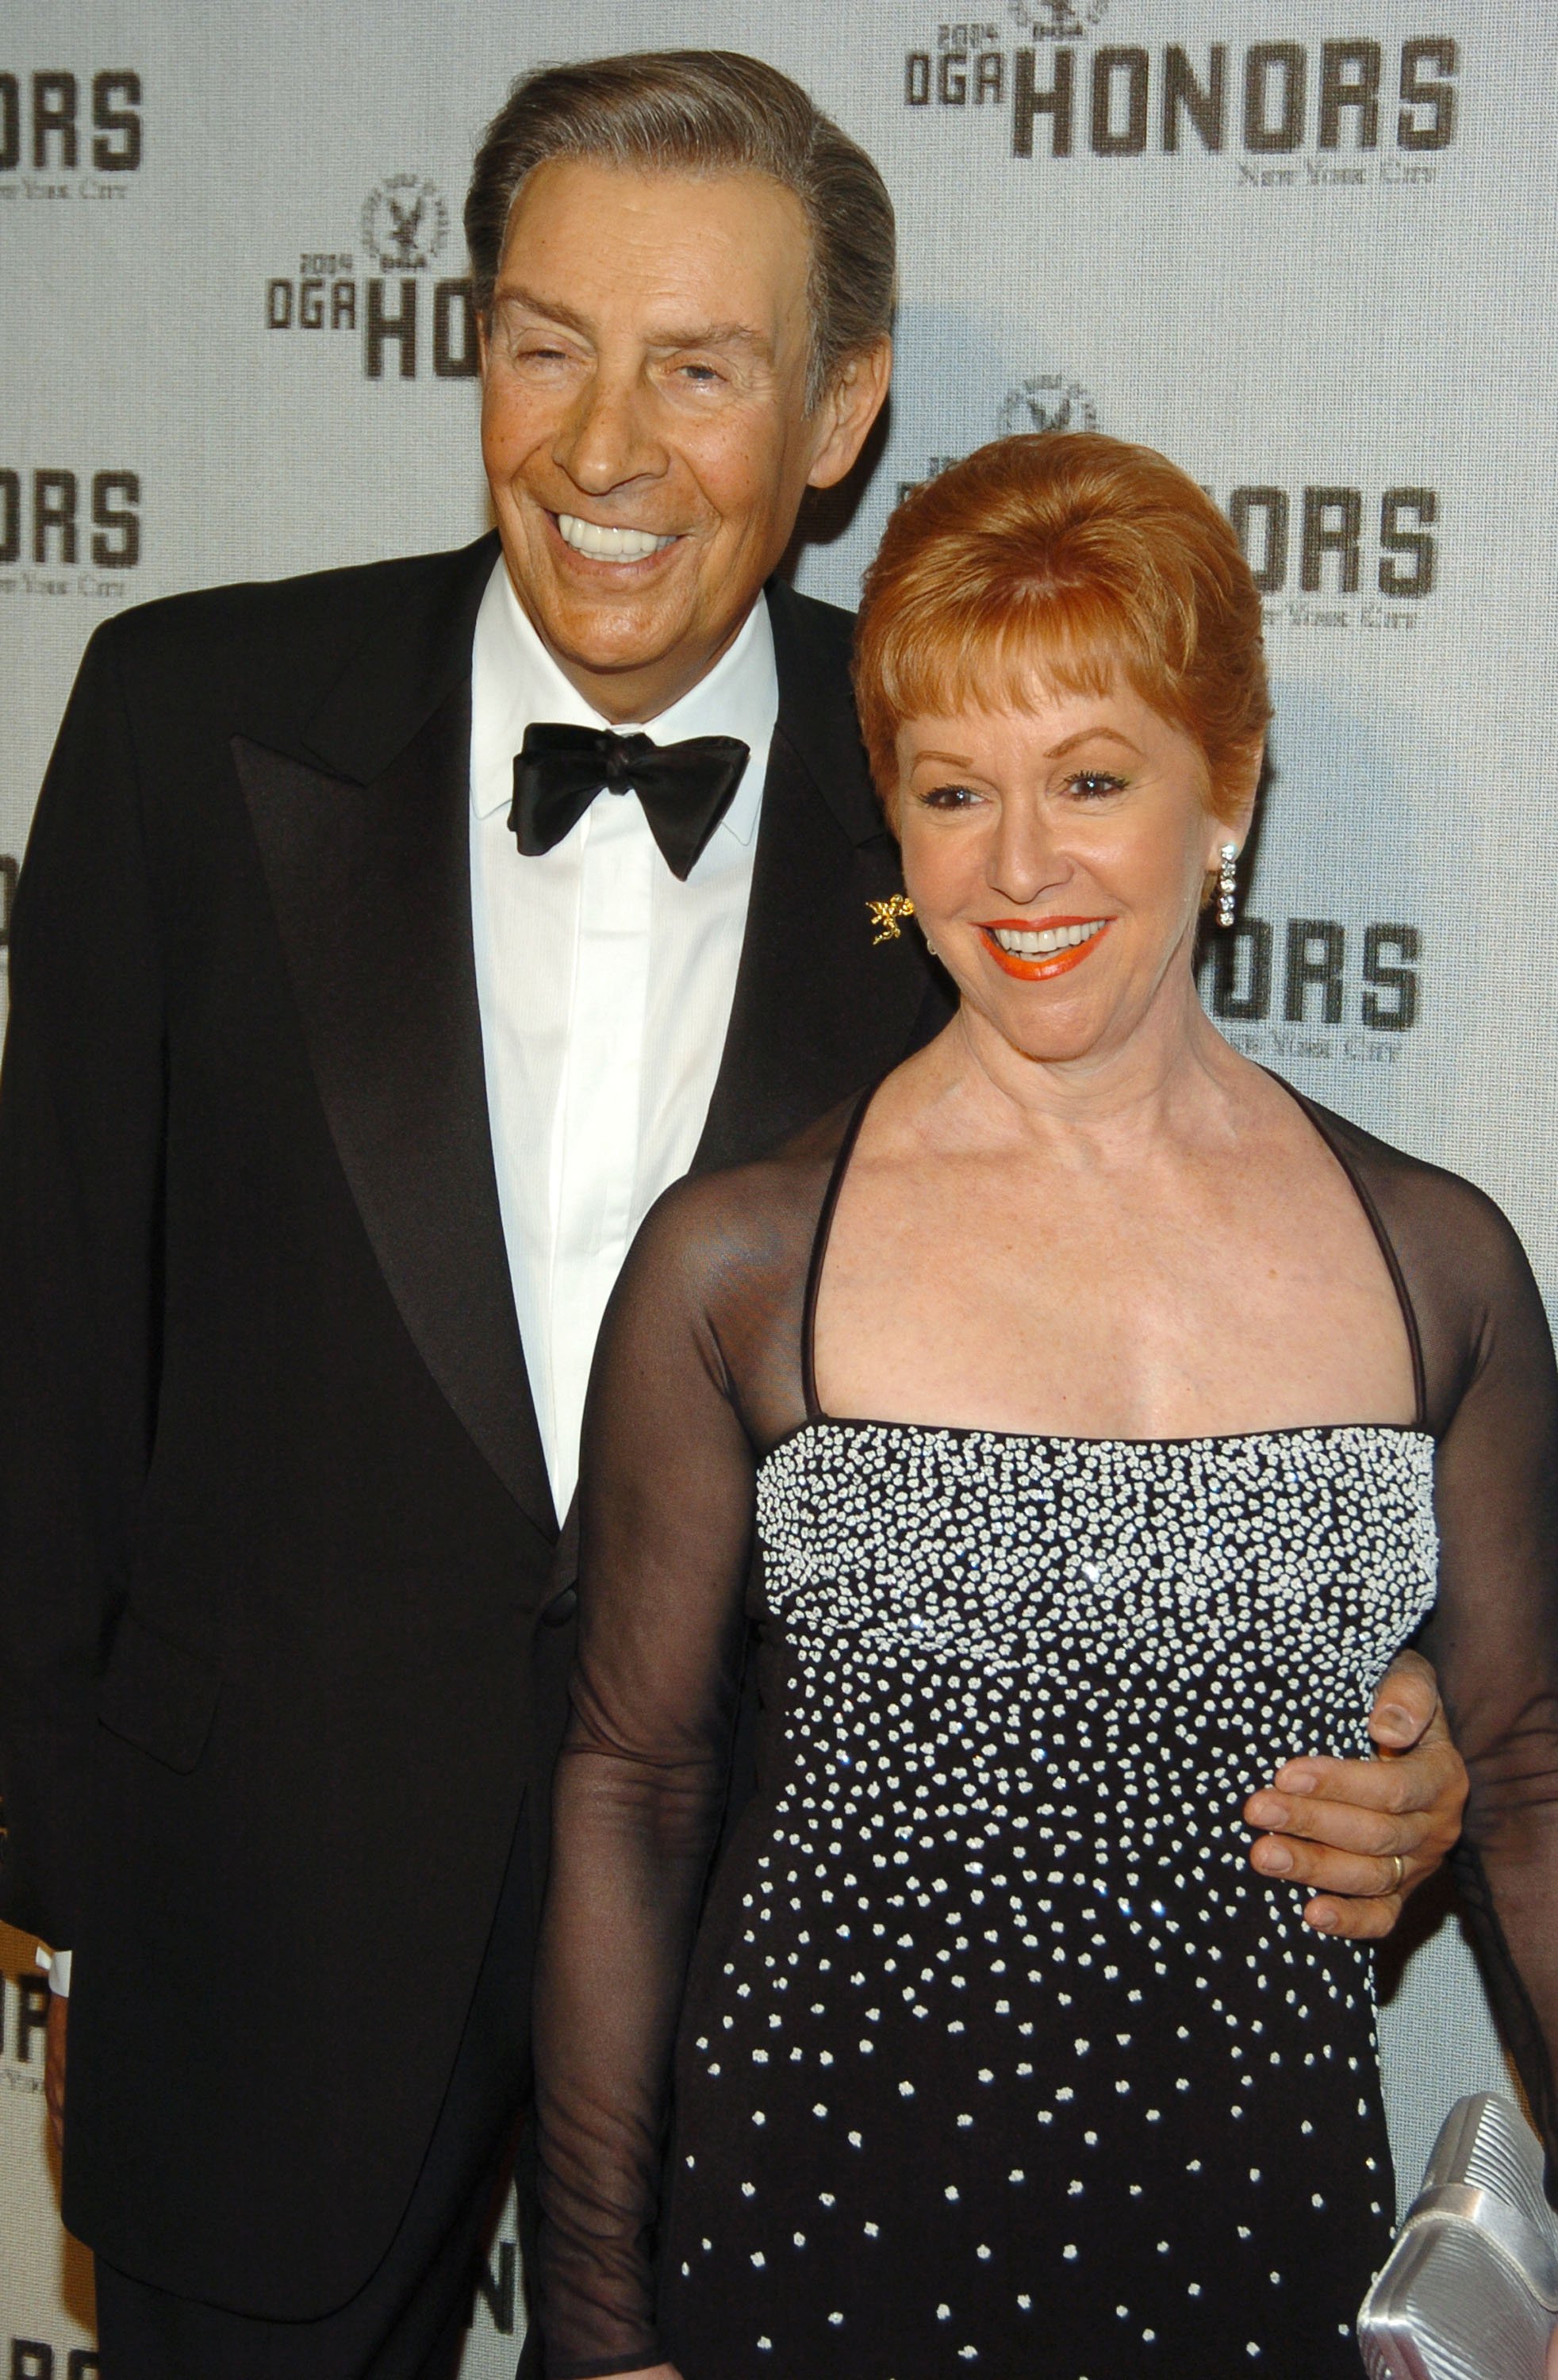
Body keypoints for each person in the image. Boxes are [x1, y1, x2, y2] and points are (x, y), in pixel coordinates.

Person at [0, 52, 1460, 2380]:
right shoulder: (185, 719)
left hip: (794, 2012)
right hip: (264, 1922)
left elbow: (1141, 1330)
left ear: (841, 406)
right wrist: (81, 1895)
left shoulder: (966, 793)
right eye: (543, 344)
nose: (601, 449)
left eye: (699, 368)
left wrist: (1391, 1723)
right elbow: (54, 1333)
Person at [531, 432, 1558, 2380]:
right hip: (818, 2232)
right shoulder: (738, 1268)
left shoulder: (1437, 1268)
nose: (1019, 870)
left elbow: (1525, 1783)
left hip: (1254, 2237)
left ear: (1224, 787)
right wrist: (595, 2325)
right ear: (894, 835)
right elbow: (631, 1791)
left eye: (1091, 781)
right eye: (951, 794)